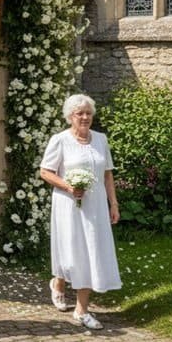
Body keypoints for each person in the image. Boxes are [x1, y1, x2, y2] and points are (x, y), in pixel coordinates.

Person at [40, 94, 121, 330]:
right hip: (67, 204)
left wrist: (113, 204)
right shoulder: (60, 140)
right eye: (80, 113)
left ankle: (81, 309)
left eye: (88, 113)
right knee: (70, 251)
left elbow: (107, 173)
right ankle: (58, 282)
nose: (85, 117)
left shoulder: (101, 140)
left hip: (94, 205)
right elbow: (45, 171)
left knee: (90, 251)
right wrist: (68, 186)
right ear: (70, 117)